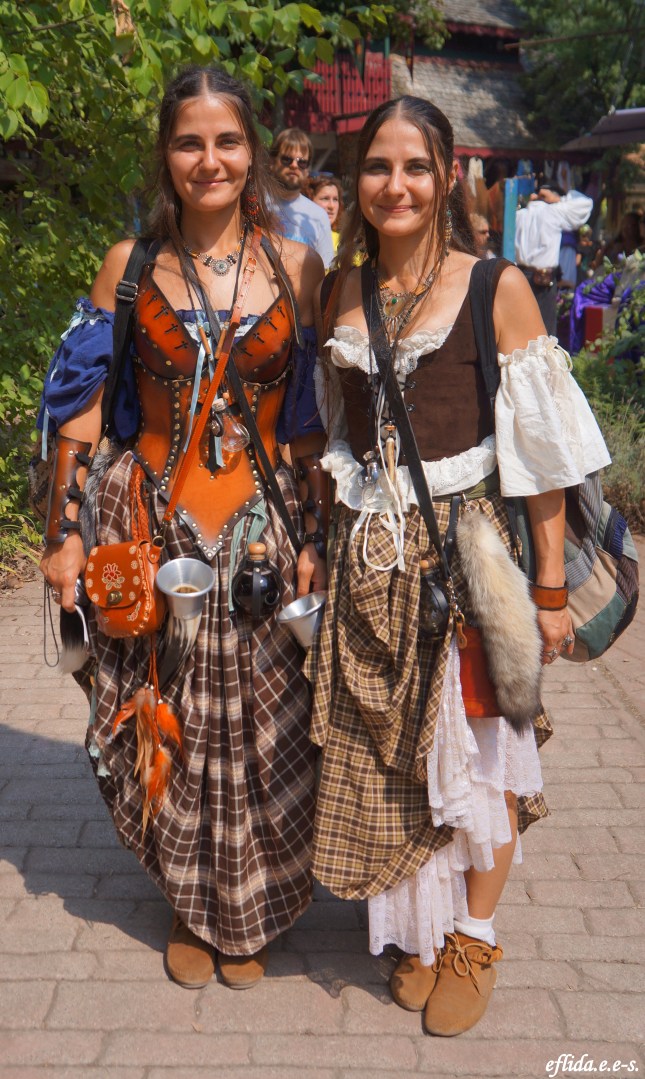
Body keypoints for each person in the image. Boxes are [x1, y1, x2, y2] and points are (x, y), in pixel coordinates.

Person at [307, 96, 610, 1037]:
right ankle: (417, 932)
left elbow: (544, 459)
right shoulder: (341, 289)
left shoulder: (497, 287)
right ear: (354, 180)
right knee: (392, 758)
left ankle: (474, 935)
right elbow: (337, 431)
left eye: (413, 165)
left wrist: (550, 592)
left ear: (446, 177)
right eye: (374, 165)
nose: (393, 184)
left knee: (479, 760)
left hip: (467, 560)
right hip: (369, 557)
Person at [37, 65, 329, 991]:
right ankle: (189, 903)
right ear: (165, 156)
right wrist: (63, 534)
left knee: (267, 727)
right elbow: (79, 410)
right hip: (152, 529)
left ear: (256, 151)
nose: (211, 160)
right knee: (167, 722)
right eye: (189, 142)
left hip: (266, 531)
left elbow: (318, 418)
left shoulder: (299, 266)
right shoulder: (129, 268)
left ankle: (255, 907)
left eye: (228, 141)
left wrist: (320, 529)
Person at [515, 181, 593, 335]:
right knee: (544, 333)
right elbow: (586, 203)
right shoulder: (553, 211)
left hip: (523, 277)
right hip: (542, 280)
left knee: (521, 330)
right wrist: (558, 200)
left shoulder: (519, 214)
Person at [269, 128, 335, 269]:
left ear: (307, 169)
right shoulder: (255, 204)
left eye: (302, 162)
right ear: (272, 162)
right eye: (287, 159)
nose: (294, 165)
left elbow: (325, 269)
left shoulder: (318, 217)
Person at [309, 175, 343, 254]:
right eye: (325, 198)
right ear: (309, 200)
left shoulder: (345, 243)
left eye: (335, 199)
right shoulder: (294, 236)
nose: (331, 206)